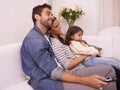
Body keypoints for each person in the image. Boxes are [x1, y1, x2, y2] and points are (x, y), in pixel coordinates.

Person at [21, 3, 116, 90]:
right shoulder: (35, 40)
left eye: (52, 14)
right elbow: (54, 73)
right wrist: (87, 80)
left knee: (109, 70)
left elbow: (61, 36)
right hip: (48, 81)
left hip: (64, 72)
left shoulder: (45, 35)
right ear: (37, 16)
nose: (52, 16)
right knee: (92, 87)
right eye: (48, 14)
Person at [50, 19, 117, 90]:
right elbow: (68, 66)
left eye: (59, 24)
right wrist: (86, 54)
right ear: (49, 30)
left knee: (112, 64)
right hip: (74, 70)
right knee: (109, 69)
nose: (60, 27)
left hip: (81, 65)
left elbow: (73, 37)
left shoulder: (61, 37)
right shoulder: (55, 43)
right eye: (56, 26)